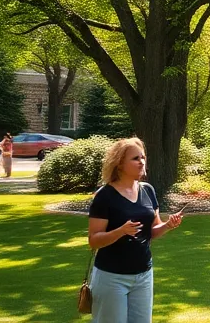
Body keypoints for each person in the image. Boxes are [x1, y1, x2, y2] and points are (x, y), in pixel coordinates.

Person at [86, 137, 184, 323]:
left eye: (143, 157)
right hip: (111, 277)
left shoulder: (148, 190)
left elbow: (152, 231)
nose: (142, 162)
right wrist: (120, 231)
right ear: (119, 164)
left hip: (143, 275)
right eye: (135, 158)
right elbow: (93, 240)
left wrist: (168, 225)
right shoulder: (105, 196)